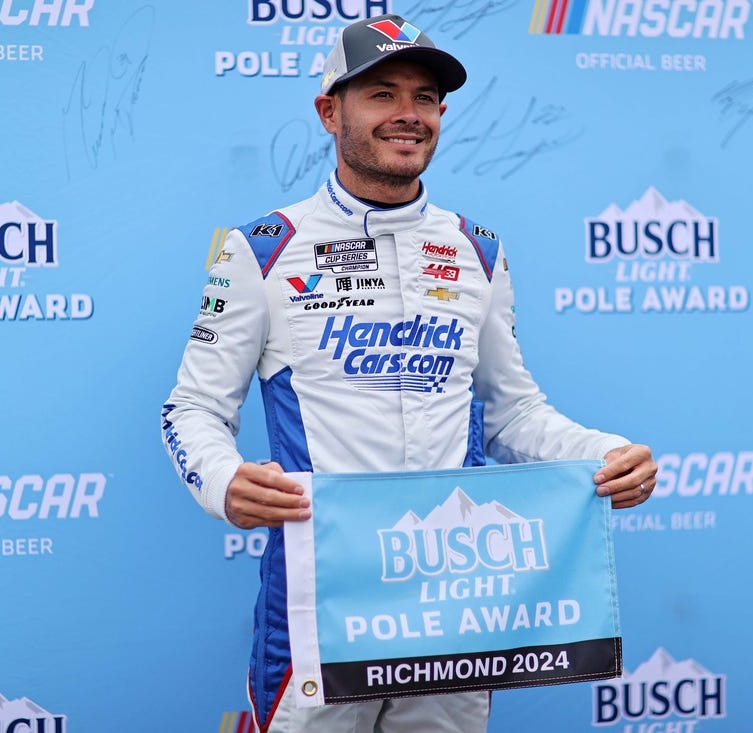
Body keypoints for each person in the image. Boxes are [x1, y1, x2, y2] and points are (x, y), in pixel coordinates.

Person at [162, 13, 657, 733]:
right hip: (319, 597)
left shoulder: (476, 250)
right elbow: (191, 407)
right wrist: (223, 479)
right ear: (329, 111)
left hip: (453, 600)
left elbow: (512, 412)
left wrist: (604, 456)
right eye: (380, 94)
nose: (406, 115)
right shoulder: (263, 249)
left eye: (423, 98)